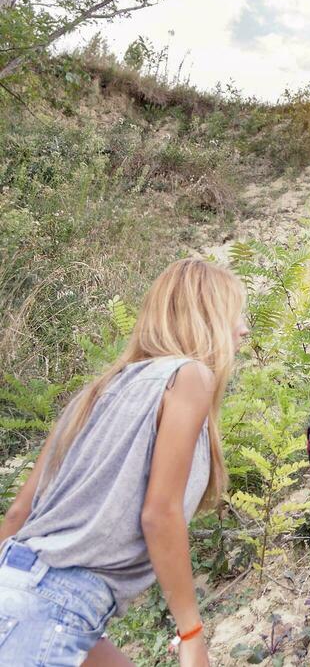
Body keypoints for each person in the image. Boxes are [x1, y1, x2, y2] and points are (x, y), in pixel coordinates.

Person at [0, 259, 249, 667]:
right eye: (236, 315)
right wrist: (191, 632)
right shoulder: (190, 377)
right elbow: (159, 514)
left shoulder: (95, 391)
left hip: (22, 586)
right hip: (57, 603)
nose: (243, 329)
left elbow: (17, 515)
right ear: (210, 319)